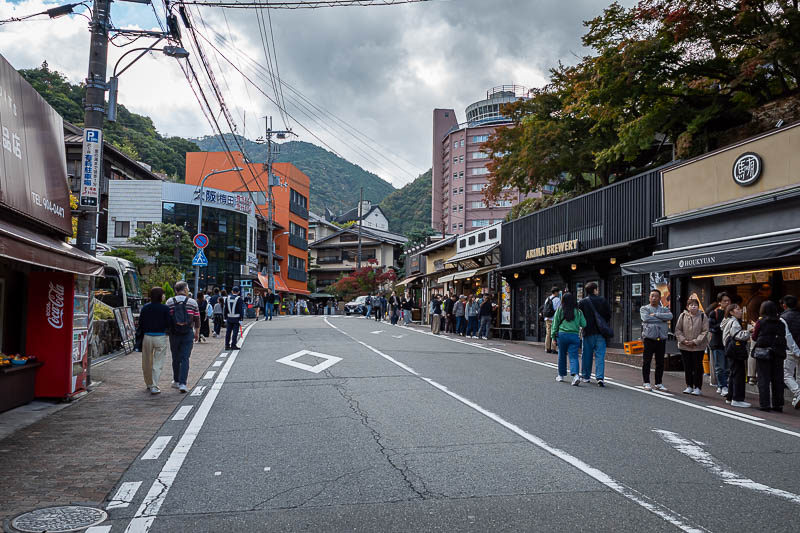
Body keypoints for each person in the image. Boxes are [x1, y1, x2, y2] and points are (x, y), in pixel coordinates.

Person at [751, 300, 787, 412]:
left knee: (763, 379)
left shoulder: (760, 322)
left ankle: (765, 405)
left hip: (763, 354)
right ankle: (778, 405)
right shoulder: (781, 323)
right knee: (777, 379)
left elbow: (754, 337)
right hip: (778, 353)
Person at [167, 281, 200, 393]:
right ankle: (183, 384)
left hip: (174, 333)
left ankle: (176, 380)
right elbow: (197, 319)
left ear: (175, 290)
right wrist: (197, 332)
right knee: (185, 358)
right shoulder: (192, 302)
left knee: (175, 357)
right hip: (187, 332)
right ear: (186, 289)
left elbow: (167, 318)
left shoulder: (170, 302)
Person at [578, 282, 612, 387]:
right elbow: (608, 314)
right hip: (601, 332)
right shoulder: (603, 300)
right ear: (595, 290)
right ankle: (600, 377)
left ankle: (586, 376)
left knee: (586, 355)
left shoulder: (582, 302)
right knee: (600, 355)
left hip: (587, 331)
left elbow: (579, 316)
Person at [138, 287, 171, 394]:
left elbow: (141, 323)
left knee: (147, 361)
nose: (164, 296)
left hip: (147, 337)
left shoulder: (145, 308)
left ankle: (148, 383)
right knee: (158, 362)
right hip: (160, 337)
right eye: (163, 294)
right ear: (160, 296)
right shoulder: (165, 309)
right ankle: (154, 385)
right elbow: (168, 323)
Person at [675, 297, 710, 395]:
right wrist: (683, 340)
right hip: (684, 346)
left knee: (697, 367)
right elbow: (678, 330)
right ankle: (689, 386)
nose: (693, 307)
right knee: (687, 367)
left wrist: (695, 341)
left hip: (698, 347)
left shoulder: (703, 316)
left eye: (695, 305)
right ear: (687, 307)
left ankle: (698, 387)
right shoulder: (682, 316)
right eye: (691, 305)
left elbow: (705, 331)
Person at [640, 289, 673, 392]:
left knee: (660, 362)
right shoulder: (644, 308)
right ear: (649, 297)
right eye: (652, 296)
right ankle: (646, 382)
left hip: (661, 338)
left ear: (659, 298)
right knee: (647, 361)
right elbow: (645, 318)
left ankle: (658, 383)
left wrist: (656, 315)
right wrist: (662, 319)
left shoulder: (663, 309)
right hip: (649, 338)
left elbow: (670, 316)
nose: (654, 298)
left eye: (656, 296)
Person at [552, 292, 586, 386]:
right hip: (574, 336)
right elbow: (584, 324)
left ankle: (561, 375)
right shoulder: (578, 311)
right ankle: (575, 376)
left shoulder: (560, 310)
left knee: (561, 355)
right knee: (574, 356)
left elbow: (555, 324)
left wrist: (553, 336)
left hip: (562, 335)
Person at [722, 304, 751, 408]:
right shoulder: (734, 323)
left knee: (733, 373)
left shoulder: (728, 321)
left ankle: (730, 397)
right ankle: (737, 399)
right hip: (736, 352)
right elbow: (739, 336)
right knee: (739, 374)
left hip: (730, 351)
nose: (740, 311)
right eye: (737, 309)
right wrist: (749, 332)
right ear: (731, 312)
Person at [708, 292, 731, 395]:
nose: (727, 303)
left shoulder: (731, 313)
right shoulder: (715, 313)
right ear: (720, 302)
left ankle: (722, 385)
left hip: (728, 342)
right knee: (720, 367)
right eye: (725, 301)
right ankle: (722, 386)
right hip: (717, 342)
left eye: (728, 301)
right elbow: (711, 327)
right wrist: (722, 325)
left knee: (727, 367)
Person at [780, 295, 800, 409]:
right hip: (797, 349)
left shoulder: (783, 318)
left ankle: (798, 393)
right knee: (799, 375)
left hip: (790, 350)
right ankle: (797, 398)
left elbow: (787, 336)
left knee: (786, 374)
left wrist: (796, 350)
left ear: (784, 305)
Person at [224, 286, 245, 350]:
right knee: (235, 332)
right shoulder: (239, 299)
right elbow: (241, 309)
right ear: (238, 292)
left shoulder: (227, 298)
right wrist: (241, 319)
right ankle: (233, 345)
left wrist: (225, 317)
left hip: (229, 317)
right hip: (236, 318)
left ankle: (227, 345)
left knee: (228, 332)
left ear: (232, 291)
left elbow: (225, 309)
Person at [541, 287, 561, 354]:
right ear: (555, 292)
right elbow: (559, 310)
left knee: (548, 333)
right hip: (554, 318)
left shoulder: (548, 298)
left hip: (547, 318)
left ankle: (547, 348)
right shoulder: (557, 299)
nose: (558, 293)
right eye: (558, 292)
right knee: (554, 333)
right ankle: (553, 348)